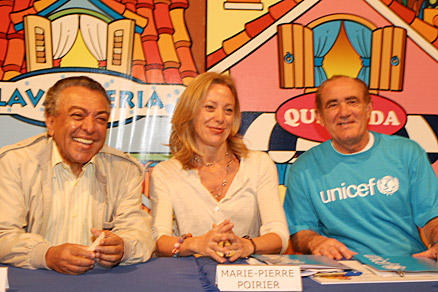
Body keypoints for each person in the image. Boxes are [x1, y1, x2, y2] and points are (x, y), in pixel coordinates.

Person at [0, 76, 154, 274]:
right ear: (50, 120)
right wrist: (46, 255)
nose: (90, 128)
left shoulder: (124, 170)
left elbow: (141, 235)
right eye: (78, 116)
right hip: (33, 280)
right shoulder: (14, 163)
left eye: (100, 119)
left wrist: (124, 247)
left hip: (99, 281)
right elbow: (3, 235)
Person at [283, 75, 438, 260]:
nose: (344, 112)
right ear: (320, 117)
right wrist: (315, 241)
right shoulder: (303, 168)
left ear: (368, 109)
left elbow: (431, 217)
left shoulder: (407, 152)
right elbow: (300, 231)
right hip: (343, 270)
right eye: (332, 105)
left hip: (408, 266)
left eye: (352, 102)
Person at [150, 72, 289, 263]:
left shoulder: (259, 164)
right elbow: (159, 241)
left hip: (246, 279)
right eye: (210, 108)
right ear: (189, 111)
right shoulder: (164, 173)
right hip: (190, 280)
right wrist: (196, 244)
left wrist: (247, 246)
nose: (220, 118)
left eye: (228, 110)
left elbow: (279, 235)